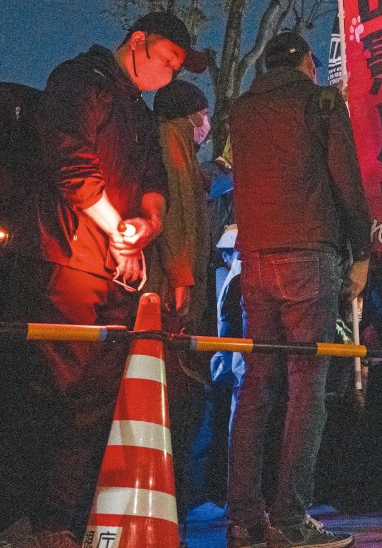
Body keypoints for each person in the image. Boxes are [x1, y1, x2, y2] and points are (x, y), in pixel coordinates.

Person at [5, 12, 206, 546]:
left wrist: (148, 225)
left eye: (177, 67)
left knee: (94, 394)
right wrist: (117, 226)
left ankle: (57, 519)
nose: (169, 74)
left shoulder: (138, 113)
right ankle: (26, 516)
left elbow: (151, 179)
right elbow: (68, 159)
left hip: (110, 269)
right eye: (166, 60)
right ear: (137, 42)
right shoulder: (81, 81)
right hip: (61, 258)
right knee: (50, 387)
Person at [226, 31, 370, 548]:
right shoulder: (321, 101)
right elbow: (347, 180)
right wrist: (363, 251)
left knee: (256, 385)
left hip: (255, 256)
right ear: (309, 62)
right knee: (308, 387)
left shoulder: (241, 110)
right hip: (309, 251)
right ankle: (290, 517)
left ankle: (243, 518)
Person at [147, 79, 214, 537]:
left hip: (175, 289)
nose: (206, 125)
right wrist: (184, 280)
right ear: (190, 115)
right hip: (175, 295)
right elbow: (180, 220)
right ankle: (174, 500)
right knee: (179, 399)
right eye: (203, 114)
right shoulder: (171, 145)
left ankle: (176, 499)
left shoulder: (177, 151)